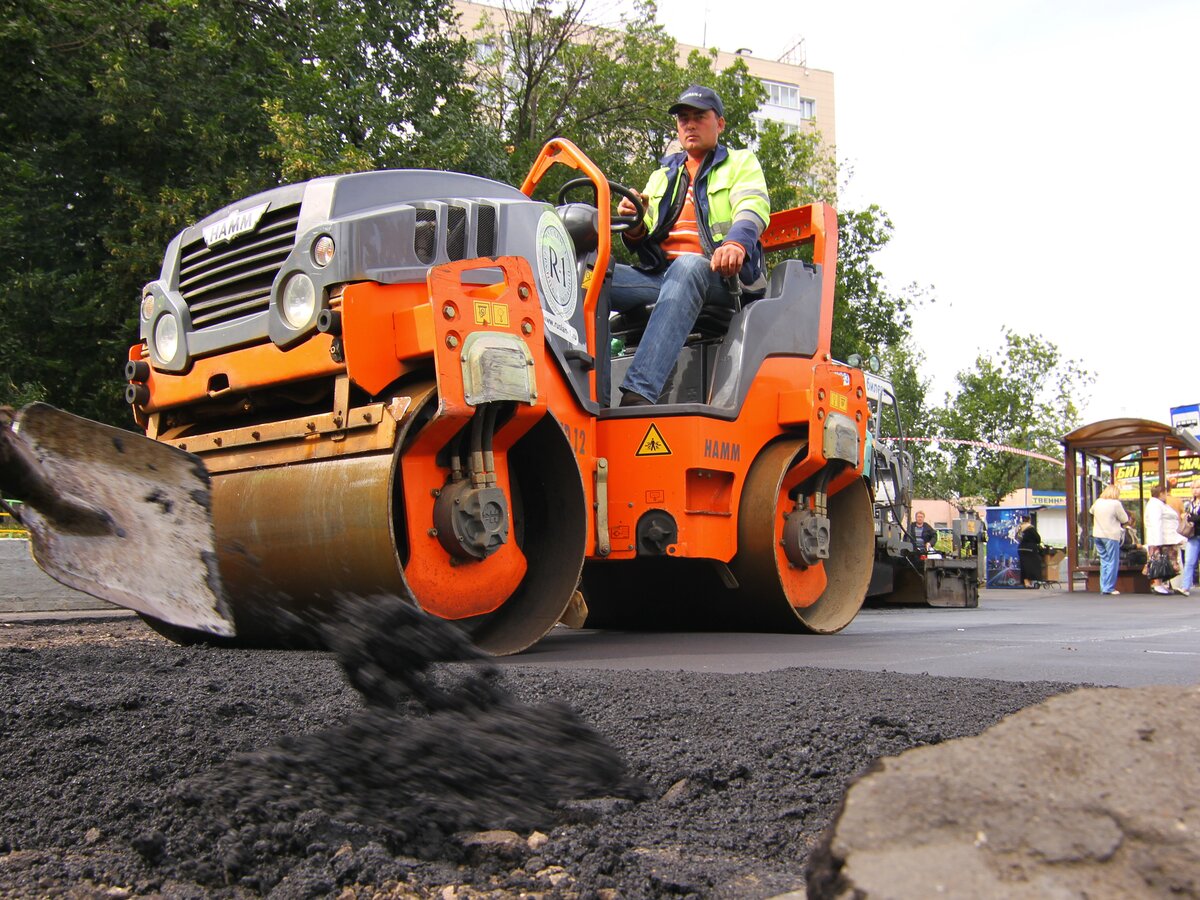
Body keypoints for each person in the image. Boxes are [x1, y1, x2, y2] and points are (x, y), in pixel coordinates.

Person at [611, 85, 770, 406]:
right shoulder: (662, 176)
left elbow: (752, 208)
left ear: (720, 124)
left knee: (688, 266)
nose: (690, 125)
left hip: (721, 278)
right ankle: (585, 388)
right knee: (591, 273)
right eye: (684, 119)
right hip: (663, 280)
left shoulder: (740, 163)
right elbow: (644, 241)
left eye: (699, 117)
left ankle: (638, 393)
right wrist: (634, 221)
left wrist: (736, 245)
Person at [1144, 483, 1185, 594]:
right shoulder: (1155, 505)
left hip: (1167, 538)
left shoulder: (1160, 504)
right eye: (1166, 493)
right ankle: (1158, 584)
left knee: (1166, 562)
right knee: (1159, 562)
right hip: (1162, 539)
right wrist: (1157, 541)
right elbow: (1156, 523)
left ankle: (1161, 584)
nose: (1167, 495)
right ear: (1161, 493)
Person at [1089, 484, 1128, 595]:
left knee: (1104, 561)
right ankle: (1109, 587)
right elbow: (1124, 518)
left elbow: (1091, 511)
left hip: (1097, 535)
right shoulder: (1116, 504)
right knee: (1112, 561)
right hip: (1111, 536)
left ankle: (1103, 586)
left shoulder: (1098, 502)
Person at [1181, 483, 1200, 594]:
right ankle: (1185, 586)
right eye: (1193, 488)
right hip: (1193, 535)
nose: (1195, 490)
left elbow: (1195, 518)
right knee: (1189, 561)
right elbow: (1186, 516)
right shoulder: (1190, 503)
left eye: (1197, 487)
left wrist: (1191, 518)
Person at [1016, 515, 1043, 588]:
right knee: (1032, 565)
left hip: (1021, 548)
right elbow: (1038, 539)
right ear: (1029, 520)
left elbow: (1017, 538)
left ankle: (1026, 582)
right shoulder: (1030, 528)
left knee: (1024, 566)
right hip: (1030, 549)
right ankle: (1032, 581)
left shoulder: (1019, 528)